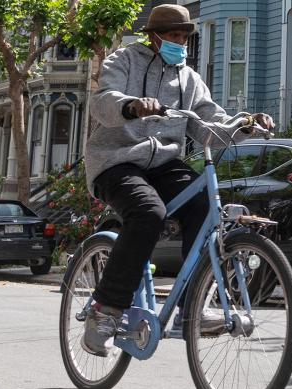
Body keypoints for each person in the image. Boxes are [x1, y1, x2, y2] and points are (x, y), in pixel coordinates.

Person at [80, 4, 275, 357]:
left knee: (203, 204)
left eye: (184, 36)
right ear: (153, 37)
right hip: (117, 161)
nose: (180, 42)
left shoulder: (189, 79)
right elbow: (103, 101)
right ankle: (104, 311)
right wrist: (132, 106)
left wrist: (245, 123)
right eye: (173, 35)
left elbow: (211, 125)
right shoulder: (124, 61)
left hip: (164, 162)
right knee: (147, 212)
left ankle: (191, 309)